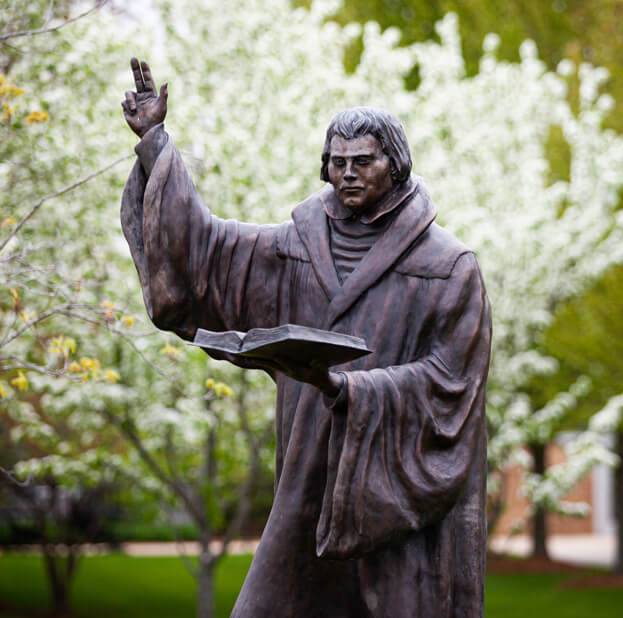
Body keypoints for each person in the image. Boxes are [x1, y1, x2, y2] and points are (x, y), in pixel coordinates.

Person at [121, 58, 492, 617]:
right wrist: (154, 142)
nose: (348, 173)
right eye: (337, 163)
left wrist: (353, 391)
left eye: (363, 161)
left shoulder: (447, 266)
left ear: (395, 164)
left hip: (395, 492)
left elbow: (452, 383)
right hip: (308, 478)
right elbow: (205, 255)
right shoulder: (293, 248)